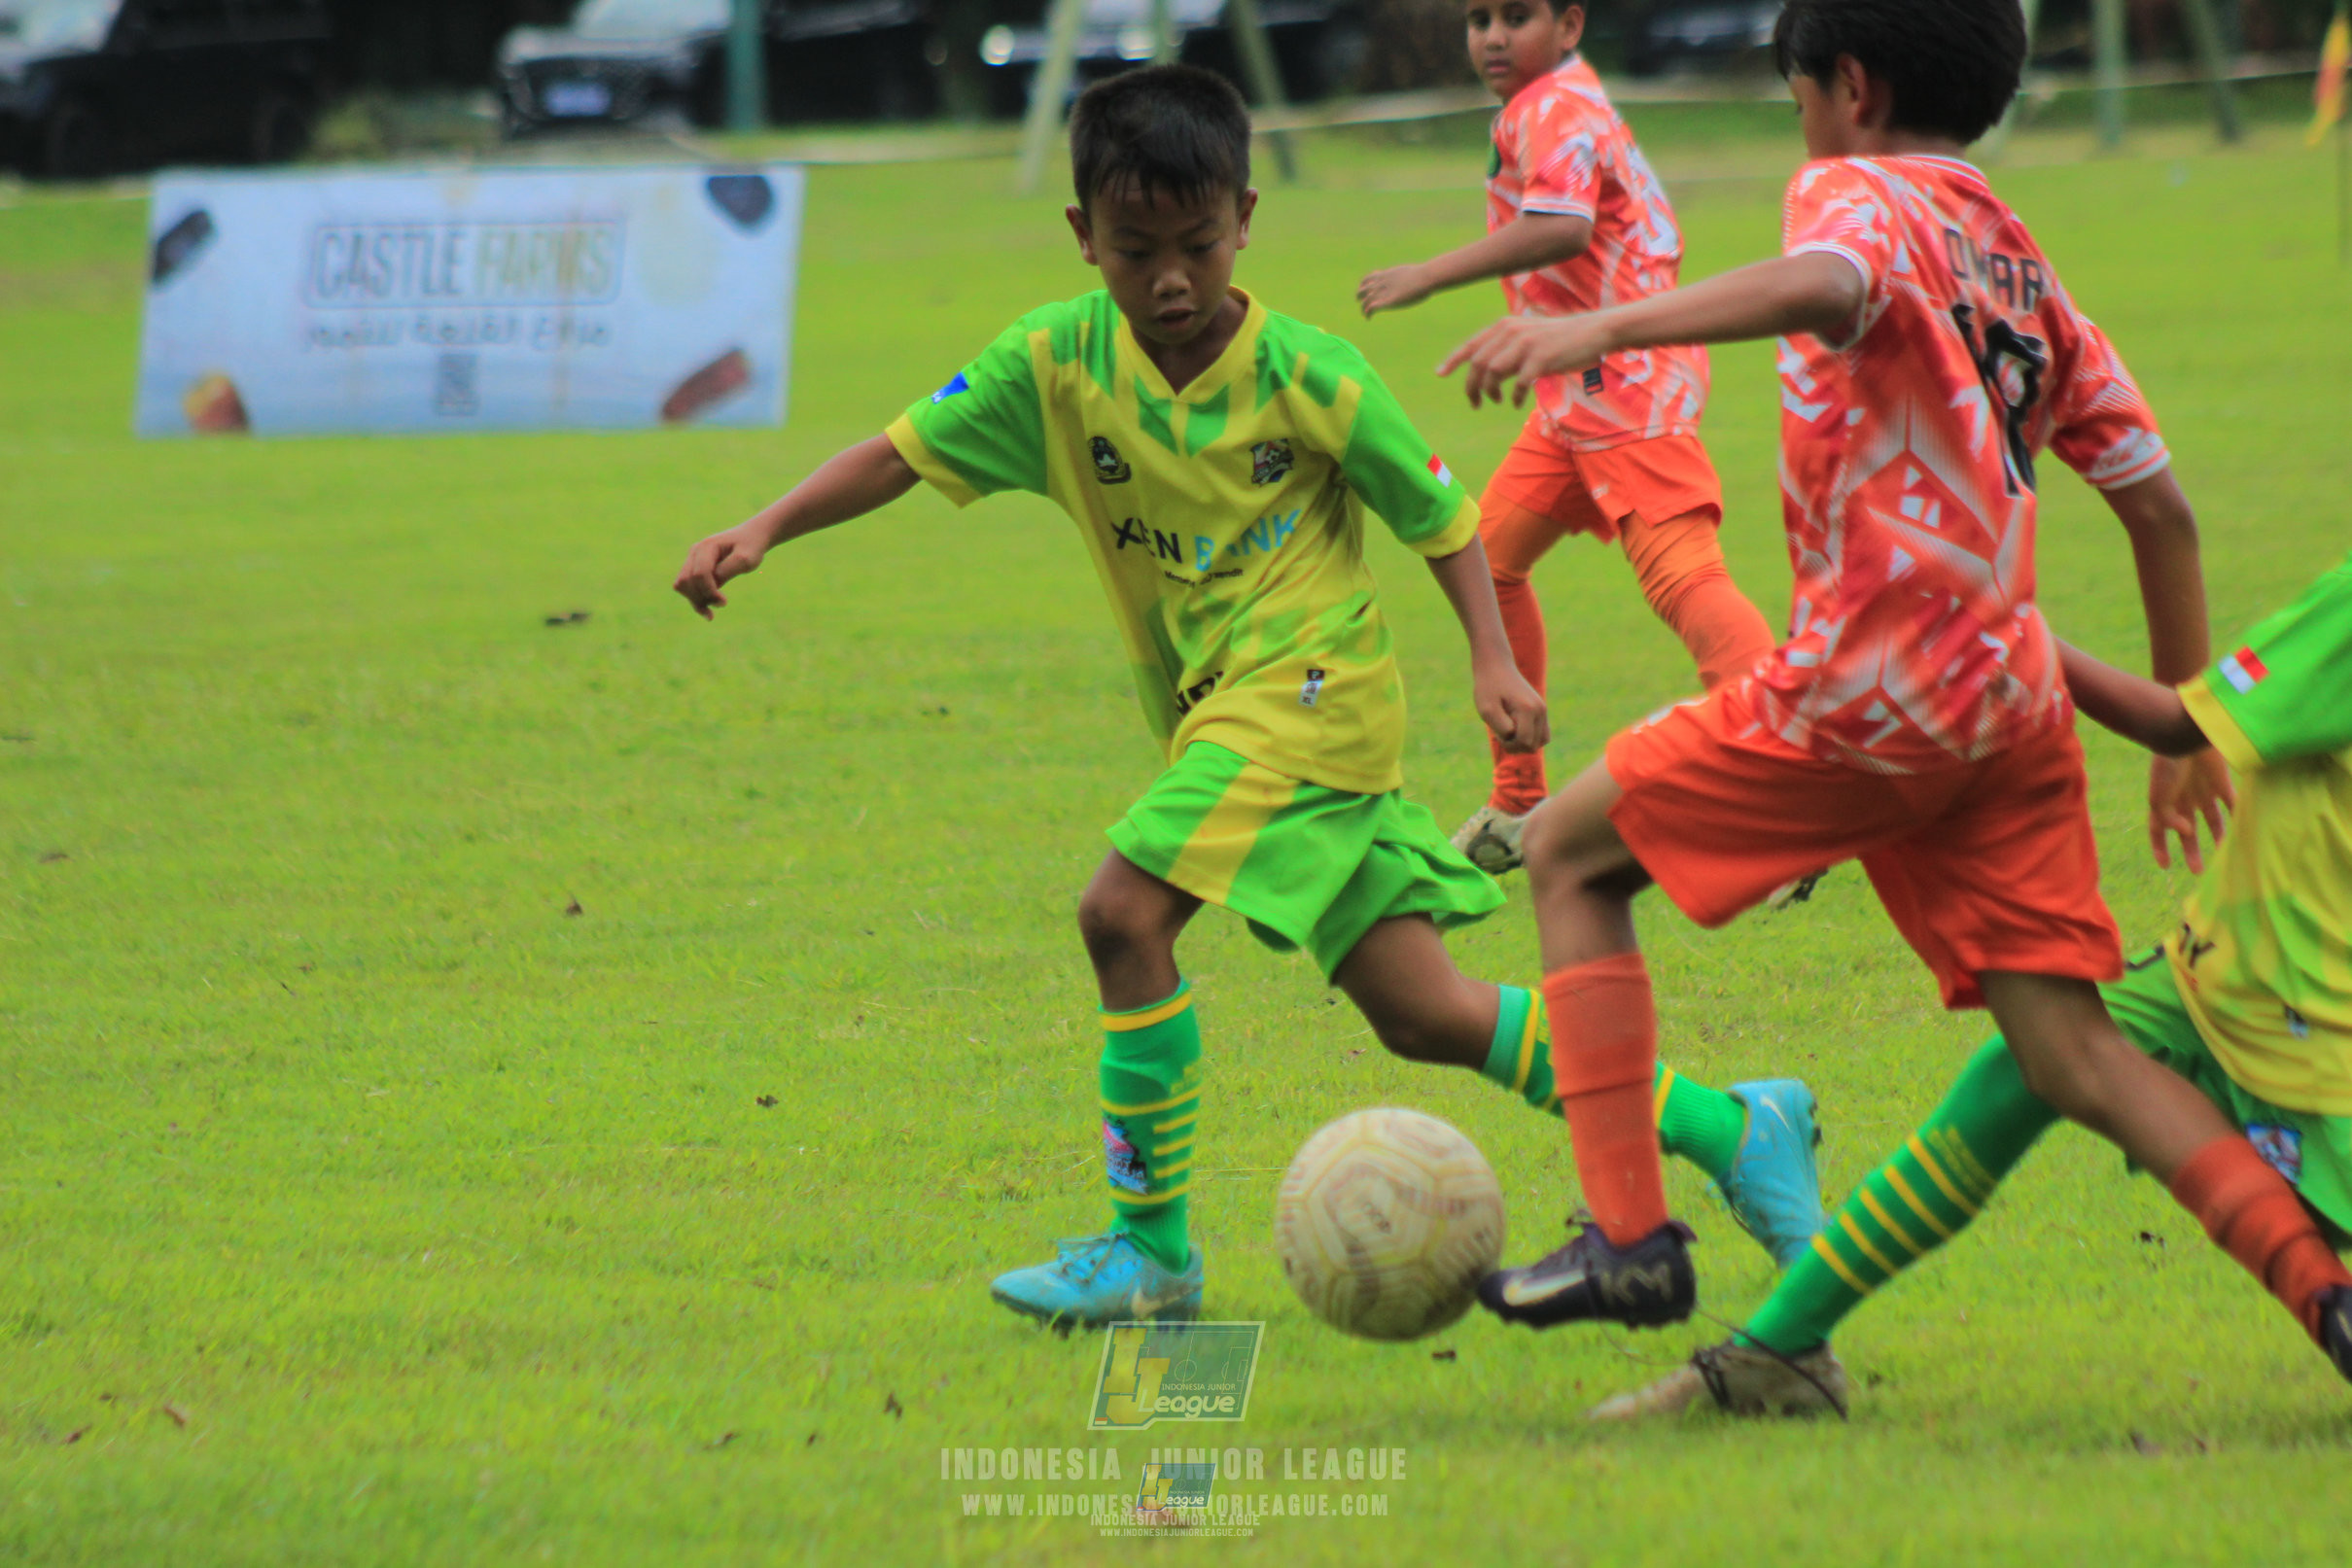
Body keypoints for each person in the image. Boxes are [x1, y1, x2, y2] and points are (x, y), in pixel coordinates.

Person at [670, 65, 1824, 1330]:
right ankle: (1731, 1125)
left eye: (1196, 245)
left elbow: (1438, 516)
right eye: (1133, 250)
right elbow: (896, 453)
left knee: (1120, 914)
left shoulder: (1308, 373)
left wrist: (1491, 661)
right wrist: (763, 526)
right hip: (1228, 710)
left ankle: (1148, 1247)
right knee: (1419, 1011)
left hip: (1309, 696)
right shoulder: (1051, 364)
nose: (1169, 278)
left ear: (1243, 220)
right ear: (1080, 239)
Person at [1437, 0, 2313, 1346]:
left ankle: (1625, 1238)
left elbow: (1828, 284)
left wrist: (1595, 330)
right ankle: (2324, 1287)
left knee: (1562, 853)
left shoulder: (1847, 189)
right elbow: (2161, 511)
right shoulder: (2019, 263)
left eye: (1794, 97)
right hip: (2012, 712)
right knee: (2071, 1053)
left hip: (1866, 695)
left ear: (1846, 85)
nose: (1798, 122)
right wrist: (2185, 720)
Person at [1593, 559, 2352, 1416]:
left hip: (2286, 1000)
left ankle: (2325, 1298)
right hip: (2218, 973)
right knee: (2016, 1075)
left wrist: (2006, 628)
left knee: (2041, 1069)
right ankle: (1775, 1350)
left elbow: (2175, 719)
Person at [1355, 0, 1776, 875]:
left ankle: (1790, 784)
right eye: (1478, 18)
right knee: (1488, 555)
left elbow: (1563, 225)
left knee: (1685, 579)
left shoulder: (1555, 107)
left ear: (1570, 24)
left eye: (1517, 15)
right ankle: (1518, 800)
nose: (1493, 37)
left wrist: (1428, 276)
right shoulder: (1548, 101)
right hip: (1576, 389)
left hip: (1622, 386)